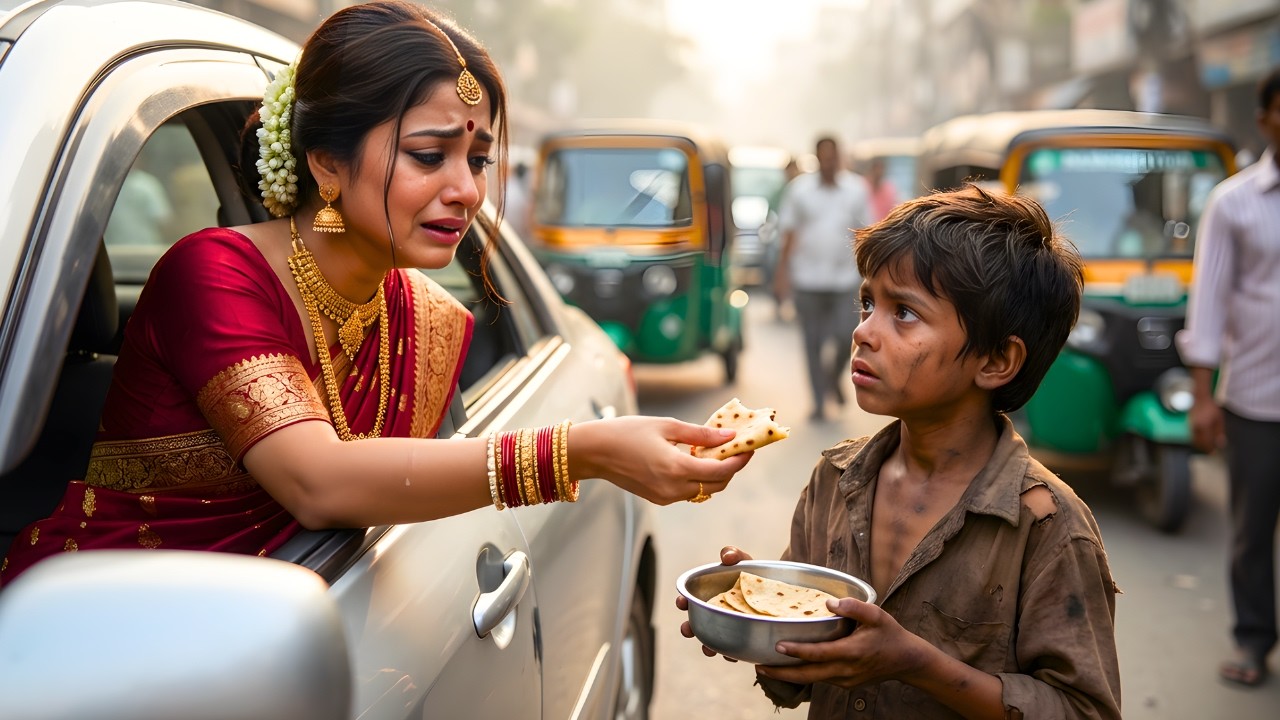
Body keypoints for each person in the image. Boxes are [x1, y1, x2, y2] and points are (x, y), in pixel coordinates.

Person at [0, 0, 750, 586]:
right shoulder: (213, 276)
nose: (466, 190)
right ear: (326, 163)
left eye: (478, 158)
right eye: (430, 155)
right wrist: (581, 453)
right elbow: (318, 484)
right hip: (108, 635)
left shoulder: (426, 319)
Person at [679, 185, 1122, 718]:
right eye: (868, 302)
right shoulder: (835, 480)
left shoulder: (1050, 529)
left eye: (904, 312)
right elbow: (801, 678)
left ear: (997, 360)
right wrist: (760, 621)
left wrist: (915, 663)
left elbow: (1083, 710)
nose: (864, 331)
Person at [1175, 66, 1280, 689]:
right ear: (1266, 118)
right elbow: (1208, 303)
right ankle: (1253, 639)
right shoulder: (1234, 201)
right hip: (1255, 400)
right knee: (1253, 529)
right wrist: (1203, 398)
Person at [773, 136, 872, 421]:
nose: (828, 161)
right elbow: (788, 233)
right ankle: (818, 401)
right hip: (807, 279)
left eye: (833, 156)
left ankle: (831, 378)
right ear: (816, 157)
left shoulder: (856, 189)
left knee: (846, 335)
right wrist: (782, 274)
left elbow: (866, 231)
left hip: (844, 279)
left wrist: (872, 272)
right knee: (812, 343)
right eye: (823, 156)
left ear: (839, 156)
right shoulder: (800, 190)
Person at [864, 156, 898, 222]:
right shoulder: (861, 187)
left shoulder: (889, 189)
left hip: (882, 229)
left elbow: (894, 210)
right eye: (876, 170)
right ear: (871, 170)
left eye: (881, 170)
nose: (879, 173)